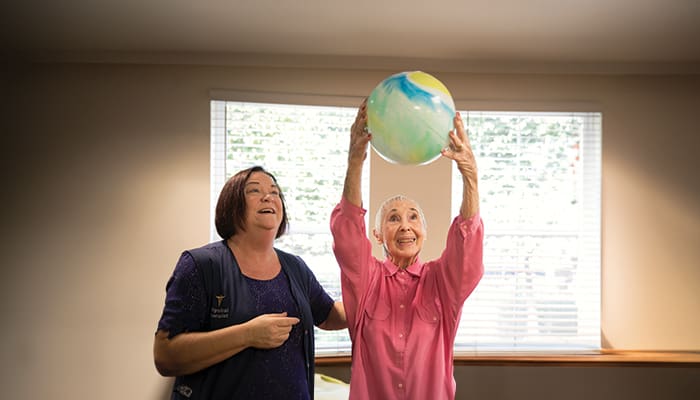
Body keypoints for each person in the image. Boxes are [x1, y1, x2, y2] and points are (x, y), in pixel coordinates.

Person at [330, 99, 484, 400]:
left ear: (424, 233)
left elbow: (468, 247)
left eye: (413, 217)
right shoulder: (367, 280)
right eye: (393, 218)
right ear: (377, 234)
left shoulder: (441, 282)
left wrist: (470, 177)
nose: (405, 226)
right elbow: (347, 232)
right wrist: (355, 160)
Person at [154, 166, 347, 400]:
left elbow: (328, 315)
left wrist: (381, 294)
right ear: (231, 205)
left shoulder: (295, 267)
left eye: (275, 192)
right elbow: (165, 356)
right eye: (254, 190)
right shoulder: (201, 265)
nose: (268, 196)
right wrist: (248, 335)